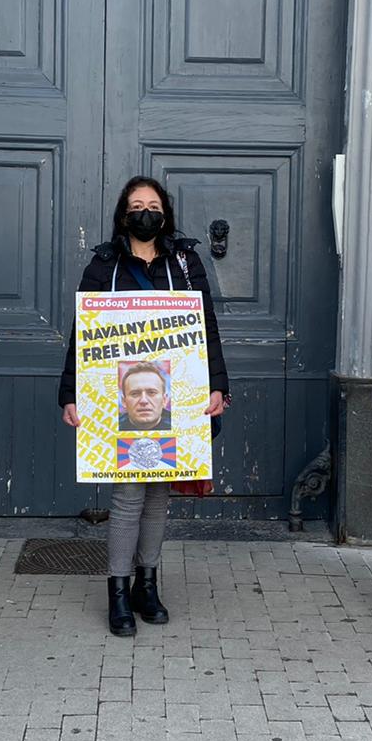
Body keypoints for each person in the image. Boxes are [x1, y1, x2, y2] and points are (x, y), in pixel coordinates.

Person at [59, 176, 228, 636]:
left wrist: (218, 386)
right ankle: (118, 590)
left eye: (153, 204)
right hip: (119, 395)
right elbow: (84, 332)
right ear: (123, 214)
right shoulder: (103, 264)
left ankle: (147, 585)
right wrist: (70, 393)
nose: (146, 212)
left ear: (165, 212)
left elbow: (206, 325)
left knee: (158, 496)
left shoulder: (186, 261)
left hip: (173, 393)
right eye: (137, 205)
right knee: (128, 495)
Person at [118, 362, 172, 431]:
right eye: (135, 394)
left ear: (164, 400)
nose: (144, 400)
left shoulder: (180, 427)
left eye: (152, 392)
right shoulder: (111, 430)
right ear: (124, 401)